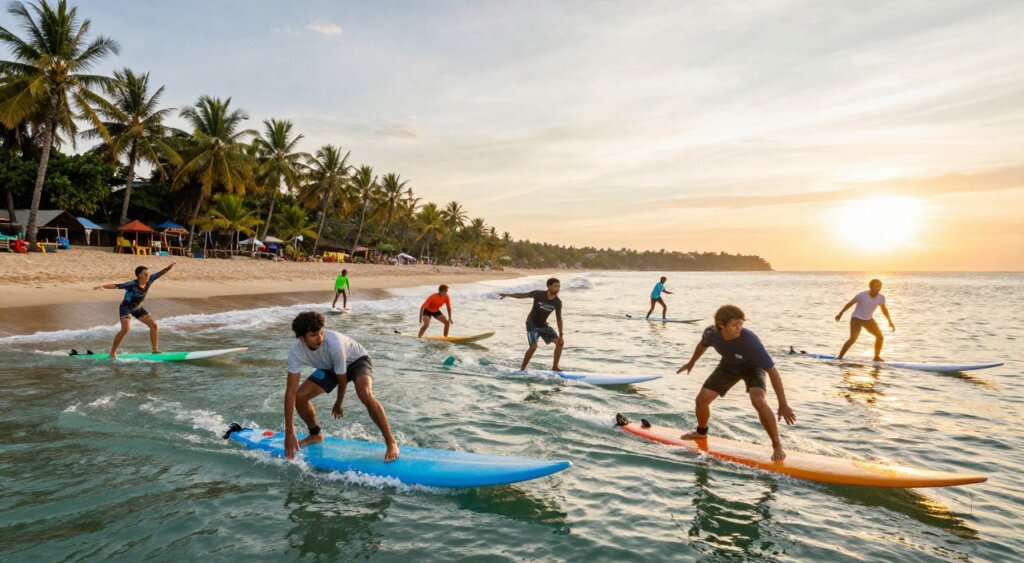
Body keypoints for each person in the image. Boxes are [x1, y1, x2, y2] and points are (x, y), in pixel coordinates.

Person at [675, 305, 796, 461]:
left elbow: (773, 372)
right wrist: (691, 362)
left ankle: (777, 445)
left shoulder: (750, 340)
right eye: (734, 325)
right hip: (729, 366)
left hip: (753, 367)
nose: (739, 328)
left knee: (758, 400)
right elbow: (702, 345)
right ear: (721, 325)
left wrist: (783, 404)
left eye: (741, 324)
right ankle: (701, 432)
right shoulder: (711, 333)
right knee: (701, 400)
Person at [284, 311, 399, 461]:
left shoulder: (334, 343)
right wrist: (289, 432)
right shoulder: (296, 352)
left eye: (320, 333)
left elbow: (342, 379)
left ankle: (391, 442)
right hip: (330, 366)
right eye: (313, 335)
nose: (319, 339)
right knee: (300, 396)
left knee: (365, 393)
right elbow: (290, 392)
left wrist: (338, 403)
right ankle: (315, 434)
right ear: (301, 337)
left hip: (356, 360)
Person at [94, 262, 176, 359]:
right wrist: (102, 286)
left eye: (148, 274)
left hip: (138, 308)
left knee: (154, 326)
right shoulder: (132, 284)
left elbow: (160, 273)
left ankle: (155, 350)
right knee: (125, 329)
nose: (148, 276)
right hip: (126, 308)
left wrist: (169, 267)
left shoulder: (149, 280)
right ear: (139, 275)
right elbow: (117, 285)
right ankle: (112, 352)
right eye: (145, 274)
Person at [498, 277, 564, 371]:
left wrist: (561, 334)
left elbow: (559, 319)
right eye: (555, 286)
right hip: (532, 324)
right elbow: (521, 295)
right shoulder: (538, 294)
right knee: (533, 347)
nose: (557, 289)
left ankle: (555, 367)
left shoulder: (557, 302)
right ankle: (522, 369)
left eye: (559, 287)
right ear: (549, 286)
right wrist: (508, 295)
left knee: (560, 343)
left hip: (543, 325)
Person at [834, 279, 895, 362]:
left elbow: (884, 310)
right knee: (853, 338)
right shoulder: (862, 295)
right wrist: (840, 313)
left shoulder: (881, 298)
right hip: (856, 319)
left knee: (880, 337)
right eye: (876, 286)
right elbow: (850, 304)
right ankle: (840, 357)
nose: (878, 288)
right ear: (871, 287)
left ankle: (876, 357)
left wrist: (889, 321)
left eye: (880, 286)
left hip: (868, 319)